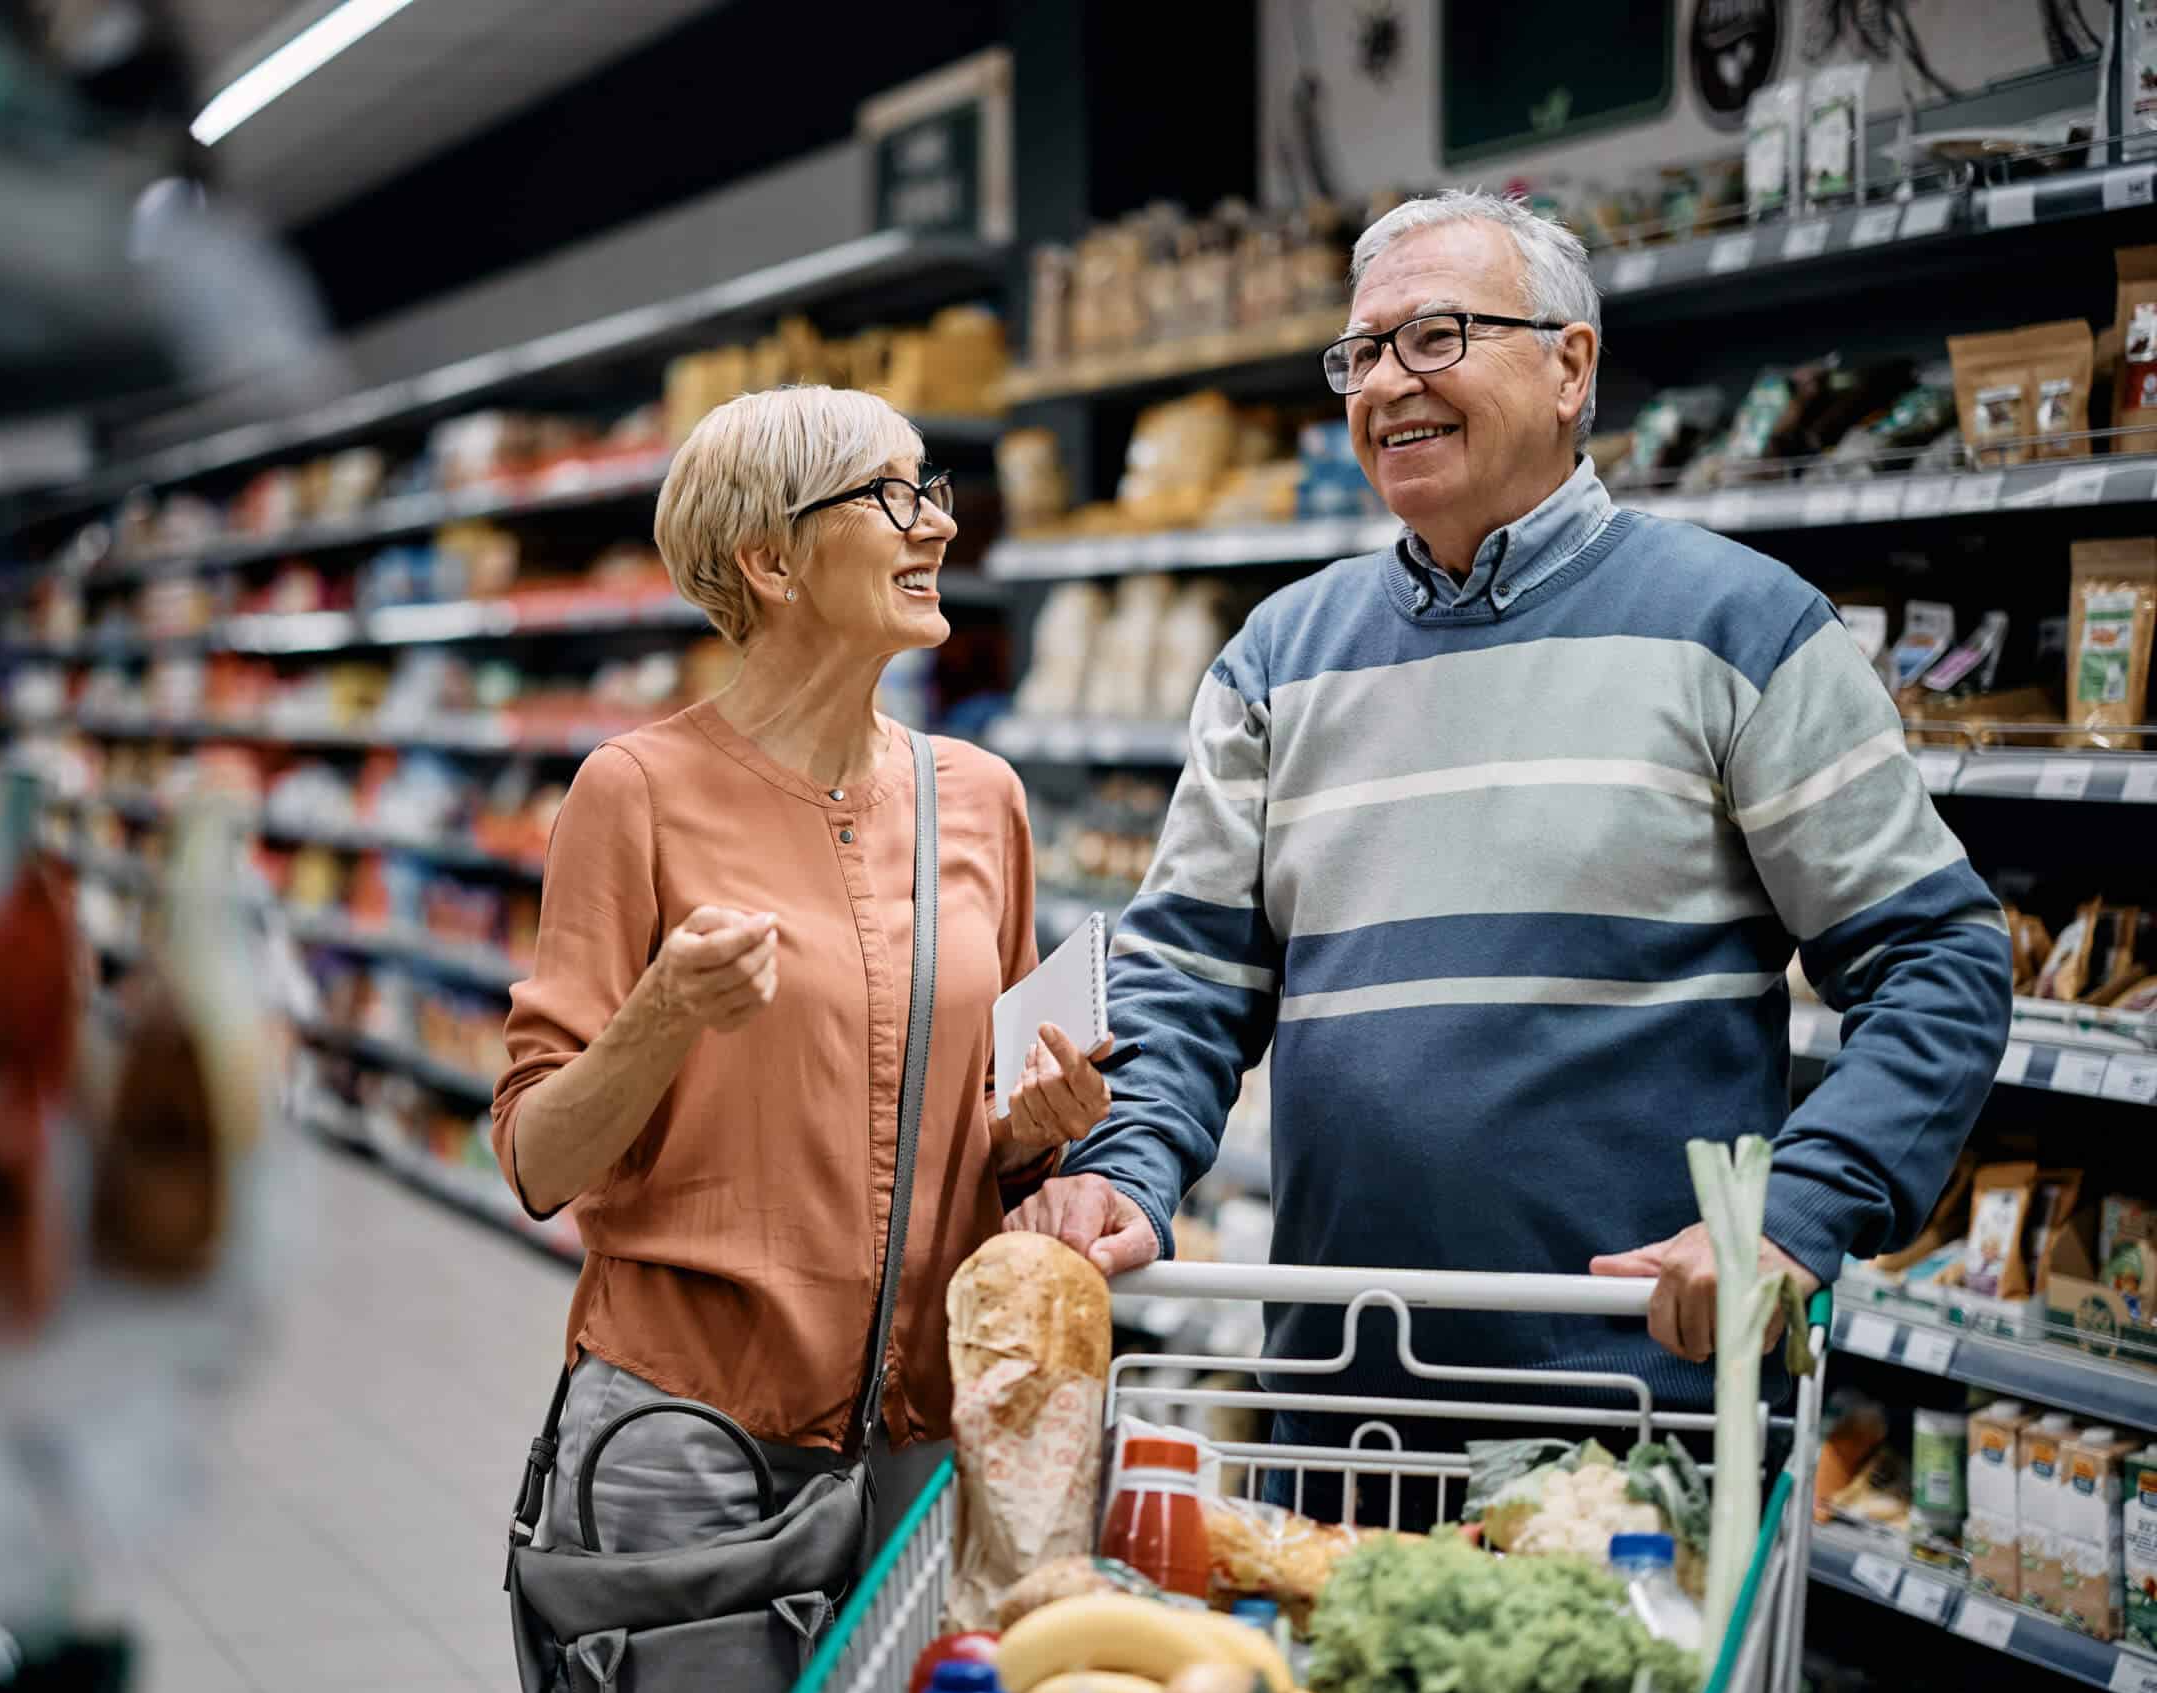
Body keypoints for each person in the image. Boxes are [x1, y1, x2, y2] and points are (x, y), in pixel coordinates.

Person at [1010, 190, 2012, 1513]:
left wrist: (1793, 1215)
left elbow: (1939, 955)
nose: (1386, 384)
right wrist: (1122, 1164)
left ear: (1569, 364)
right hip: (1338, 1414)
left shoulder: (1740, 627)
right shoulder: (1276, 659)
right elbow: (1184, 980)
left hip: (1638, 1427)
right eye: (1361, 353)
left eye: (1434, 337)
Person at [494, 385, 1111, 1554]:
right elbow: (536, 1160)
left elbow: (994, 1128)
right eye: (893, 495)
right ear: (772, 561)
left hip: (929, 1434)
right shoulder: (633, 794)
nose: (937, 524)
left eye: (929, 489)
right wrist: (663, 1013)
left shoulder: (982, 800)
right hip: (689, 1437)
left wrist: (1036, 1126)